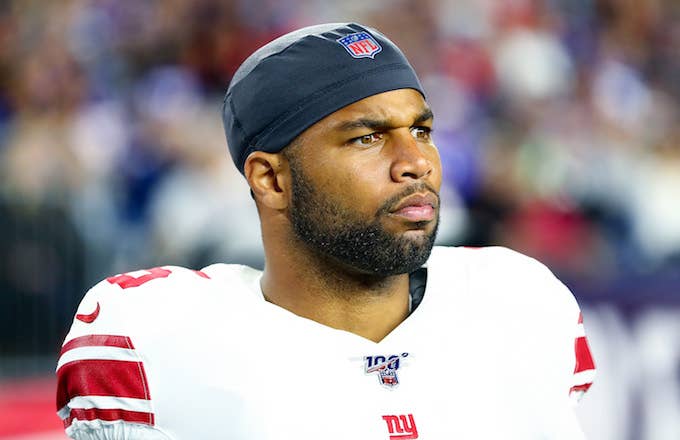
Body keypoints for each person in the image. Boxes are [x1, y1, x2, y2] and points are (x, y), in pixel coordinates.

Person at [56, 23, 595, 439]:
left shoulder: (519, 302)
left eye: (421, 130)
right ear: (270, 179)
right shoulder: (157, 336)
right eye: (366, 137)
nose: (417, 162)